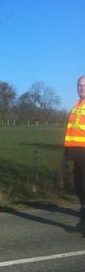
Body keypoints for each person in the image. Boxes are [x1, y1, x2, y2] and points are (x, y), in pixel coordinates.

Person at [64, 75, 85, 232]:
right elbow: (70, 132)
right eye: (79, 85)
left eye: (84, 85)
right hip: (76, 153)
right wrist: (66, 154)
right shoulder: (76, 105)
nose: (81, 88)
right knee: (79, 187)